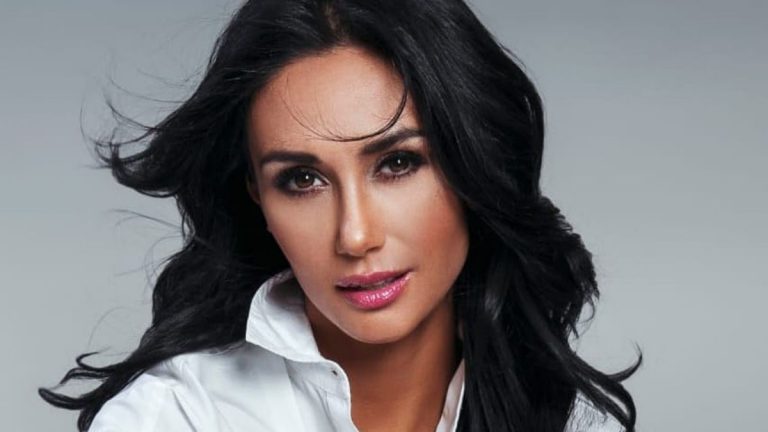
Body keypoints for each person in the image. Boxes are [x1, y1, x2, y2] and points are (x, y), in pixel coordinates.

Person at [39, 0, 641, 431]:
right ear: (258, 198)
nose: (355, 235)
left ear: (475, 166)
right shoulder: (175, 418)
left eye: (398, 164)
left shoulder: (566, 415)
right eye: (302, 180)